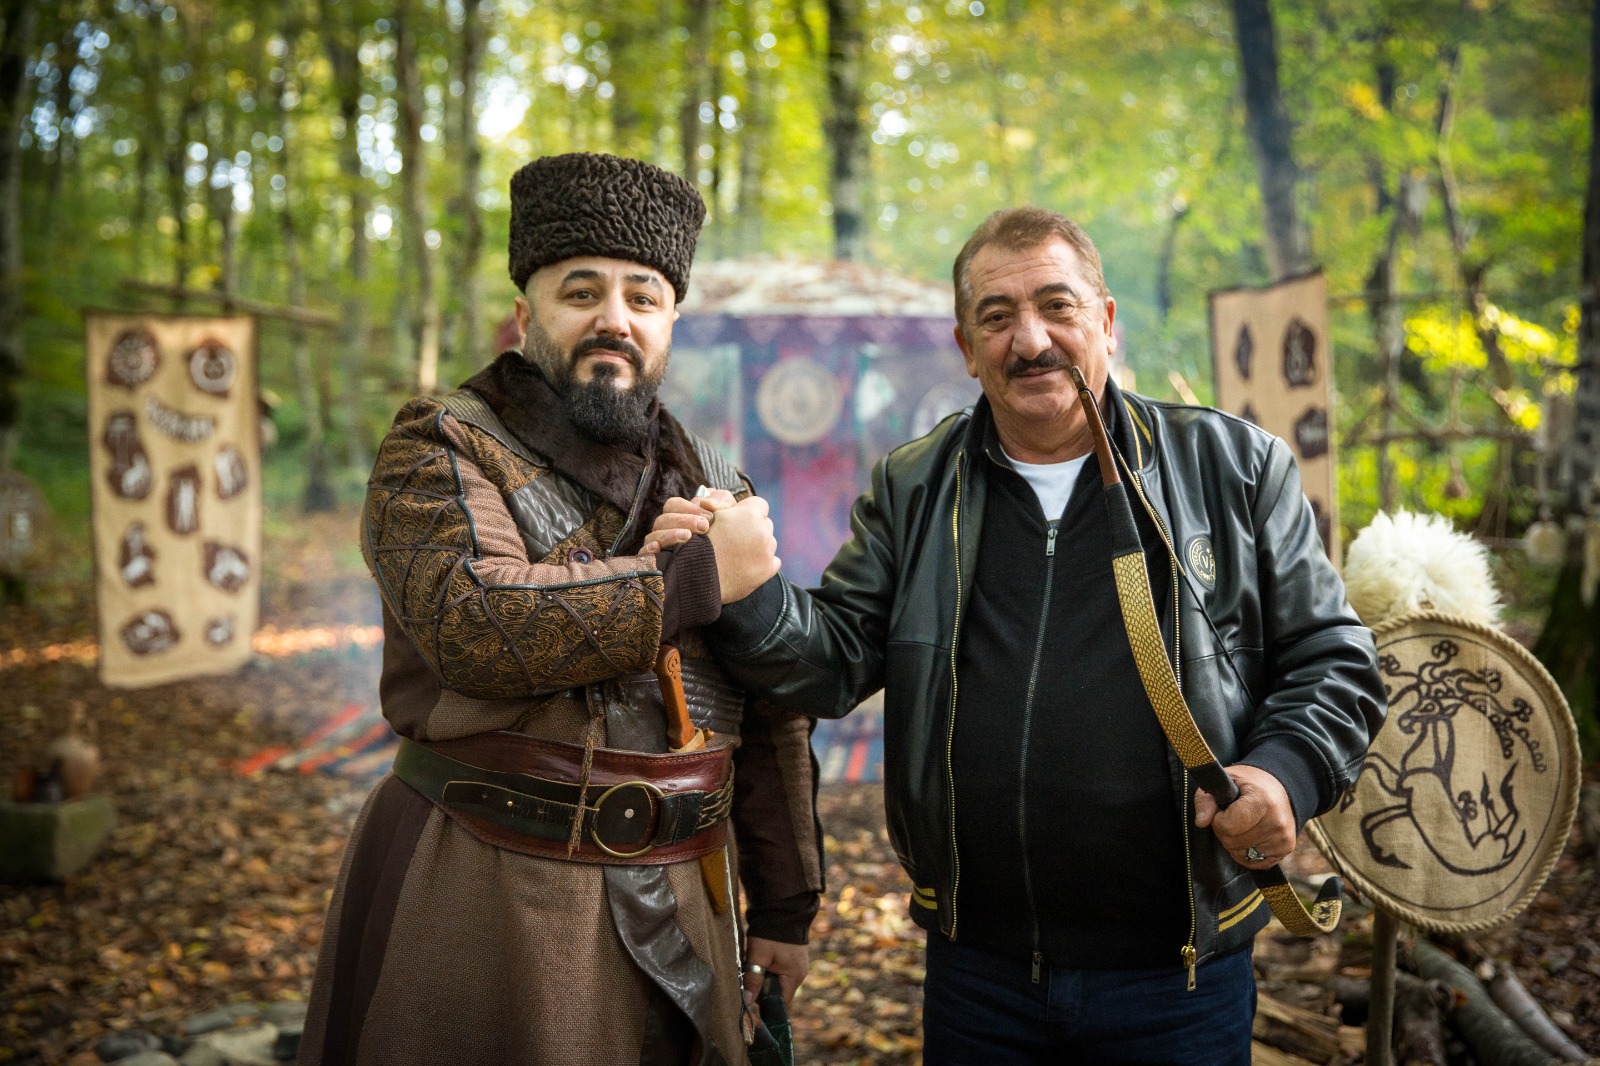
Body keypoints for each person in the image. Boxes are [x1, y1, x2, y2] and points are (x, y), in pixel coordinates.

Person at [645, 207, 1386, 1065]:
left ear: (1106, 321)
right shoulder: (916, 486)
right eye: (997, 318)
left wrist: (1286, 773)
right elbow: (833, 661)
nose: (1030, 340)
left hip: (1179, 972)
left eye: (1056, 306)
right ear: (967, 348)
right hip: (979, 974)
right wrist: (744, 588)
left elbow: (1334, 659)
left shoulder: (1235, 467)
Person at [299, 152, 823, 1066]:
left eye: (643, 297)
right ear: (525, 315)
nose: (614, 318)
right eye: (581, 292)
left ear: (669, 323)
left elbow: (771, 704)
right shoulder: (439, 443)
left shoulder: (717, 482)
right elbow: (476, 626)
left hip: (690, 890)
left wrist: (785, 903)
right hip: (490, 890)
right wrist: (692, 579)